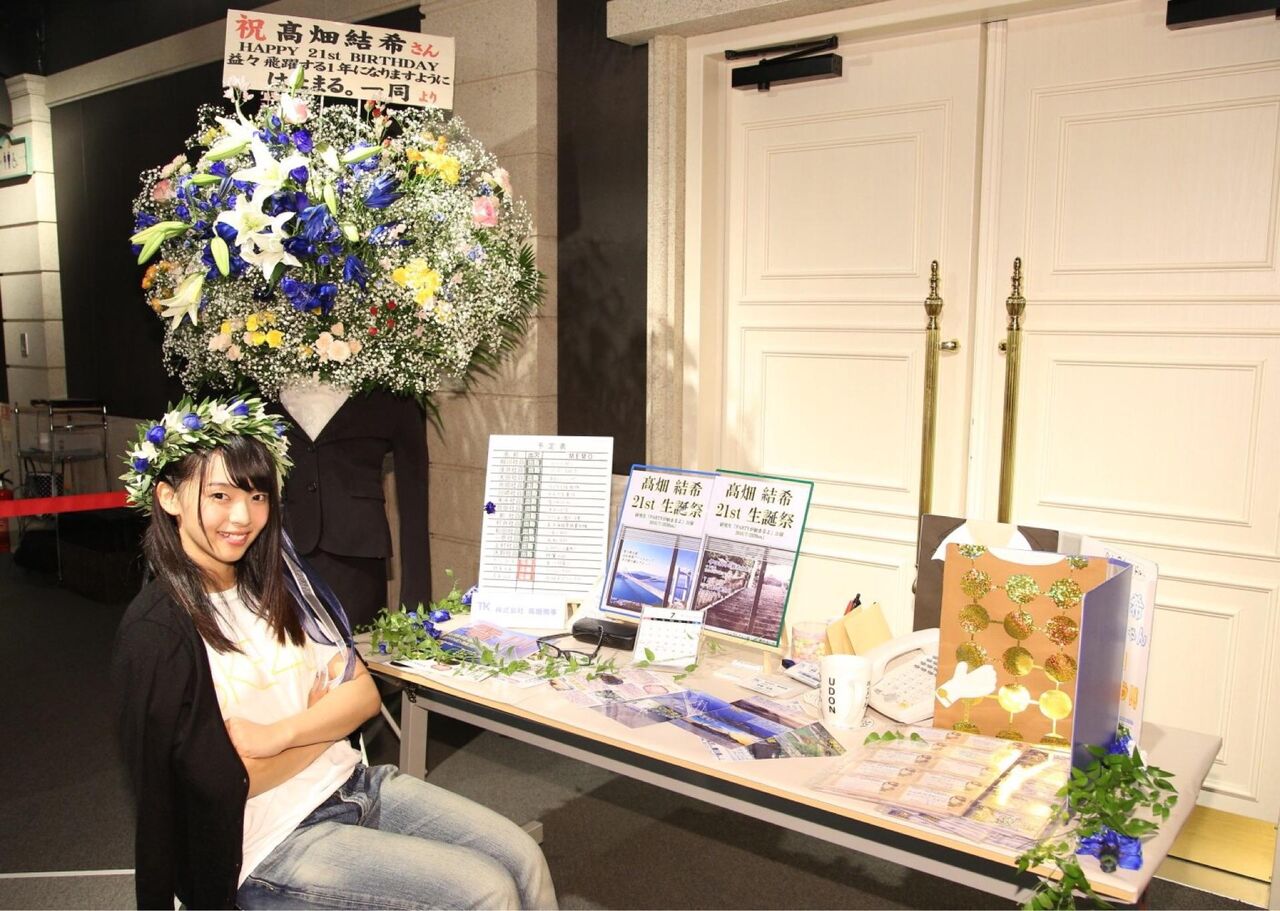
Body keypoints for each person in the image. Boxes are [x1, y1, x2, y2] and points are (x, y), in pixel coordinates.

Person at [112, 396, 557, 911]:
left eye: (257, 496)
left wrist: (280, 735)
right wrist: (322, 725)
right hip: (269, 843)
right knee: (485, 890)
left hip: (352, 783)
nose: (243, 516)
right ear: (168, 497)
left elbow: (363, 696)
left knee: (523, 856)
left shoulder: (275, 586)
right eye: (219, 496)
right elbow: (222, 784)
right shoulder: (158, 632)